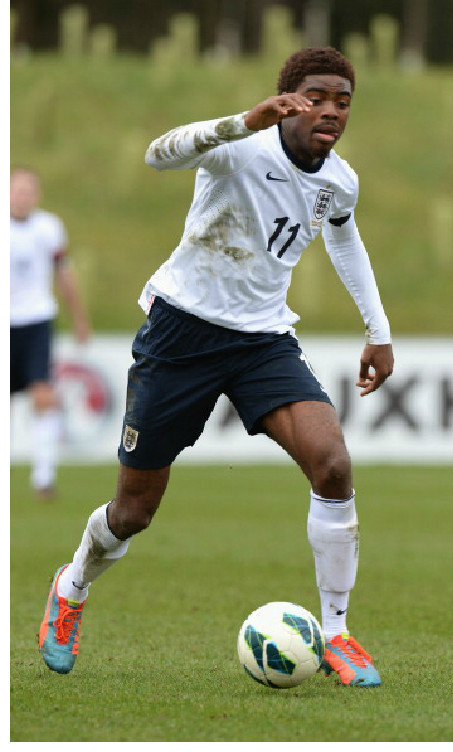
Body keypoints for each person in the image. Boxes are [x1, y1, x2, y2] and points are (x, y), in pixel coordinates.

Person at [38, 47, 394, 688]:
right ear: (287, 98)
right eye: (317, 96)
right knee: (133, 511)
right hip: (180, 333)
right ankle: (71, 587)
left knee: (333, 464)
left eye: (343, 100)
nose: (332, 110)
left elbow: (343, 235)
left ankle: (337, 633)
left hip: (262, 341)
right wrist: (242, 120)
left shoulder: (339, 179)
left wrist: (379, 329)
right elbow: (157, 153)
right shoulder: (241, 145)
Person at [11, 167, 91, 499]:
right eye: (17, 190)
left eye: (29, 191)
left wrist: (79, 318)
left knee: (43, 395)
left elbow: (64, 274)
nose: (23, 196)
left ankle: (43, 479)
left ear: (37, 195)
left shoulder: (49, 227)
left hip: (36, 322)